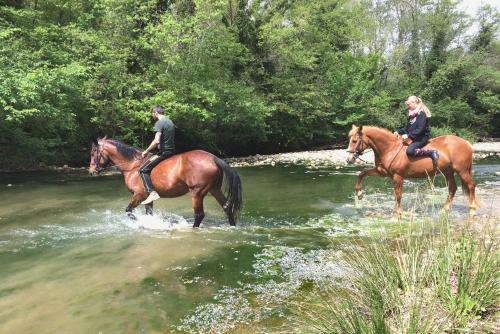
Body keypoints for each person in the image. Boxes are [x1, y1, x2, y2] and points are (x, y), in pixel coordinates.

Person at [139, 106, 175, 205]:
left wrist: (146, 151)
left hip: (163, 153)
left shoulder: (159, 123)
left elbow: (156, 141)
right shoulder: (170, 122)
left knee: (142, 170)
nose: (152, 115)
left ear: (155, 113)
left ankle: (152, 192)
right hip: (171, 151)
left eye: (152, 113)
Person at [394, 96, 439, 168]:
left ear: (414, 103)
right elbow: (407, 128)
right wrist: (398, 131)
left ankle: (431, 152)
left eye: (409, 105)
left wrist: (408, 135)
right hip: (415, 137)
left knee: (410, 151)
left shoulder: (422, 114)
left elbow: (420, 129)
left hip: (422, 137)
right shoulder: (412, 115)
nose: (408, 106)